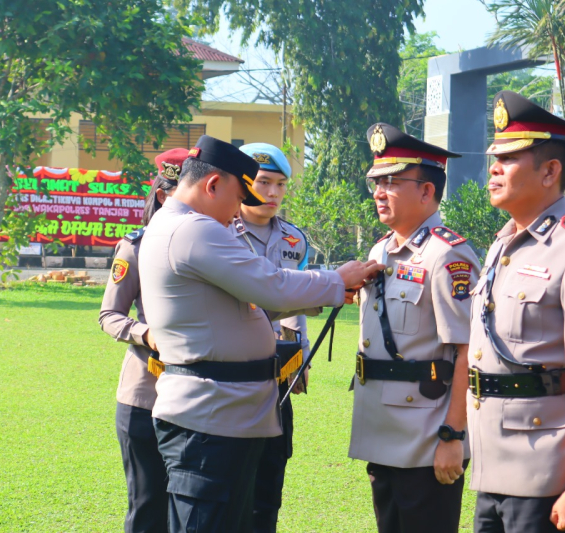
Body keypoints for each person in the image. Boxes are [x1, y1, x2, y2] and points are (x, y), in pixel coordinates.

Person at [137, 135, 383, 533]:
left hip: (218, 413)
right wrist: (337, 279)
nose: (239, 210)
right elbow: (271, 285)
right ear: (213, 185)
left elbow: (258, 300)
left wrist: (327, 290)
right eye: (239, 197)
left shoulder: (172, 224)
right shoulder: (195, 230)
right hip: (210, 418)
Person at [466, 91, 565, 533]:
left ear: (551, 171)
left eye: (509, 158)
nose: (494, 168)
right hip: (494, 467)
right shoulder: (503, 243)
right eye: (494, 156)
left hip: (548, 472)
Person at [347, 123, 480, 533]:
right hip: (381, 431)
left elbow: (466, 352)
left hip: (426, 438)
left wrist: (453, 436)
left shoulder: (448, 256)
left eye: (391, 182)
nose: (379, 192)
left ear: (426, 191)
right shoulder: (380, 249)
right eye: (376, 182)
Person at [99, 148, 188, 533]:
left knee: (188, 506)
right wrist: (145, 333)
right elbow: (109, 316)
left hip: (196, 396)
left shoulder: (212, 247)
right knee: (148, 502)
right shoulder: (134, 247)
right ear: (165, 195)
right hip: (145, 394)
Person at [229, 142, 310, 532]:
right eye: (264, 182)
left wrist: (301, 356)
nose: (273, 193)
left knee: (272, 469)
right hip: (229, 369)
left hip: (276, 374)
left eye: (280, 184)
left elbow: (298, 300)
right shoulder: (218, 231)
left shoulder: (296, 240)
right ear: (244, 182)